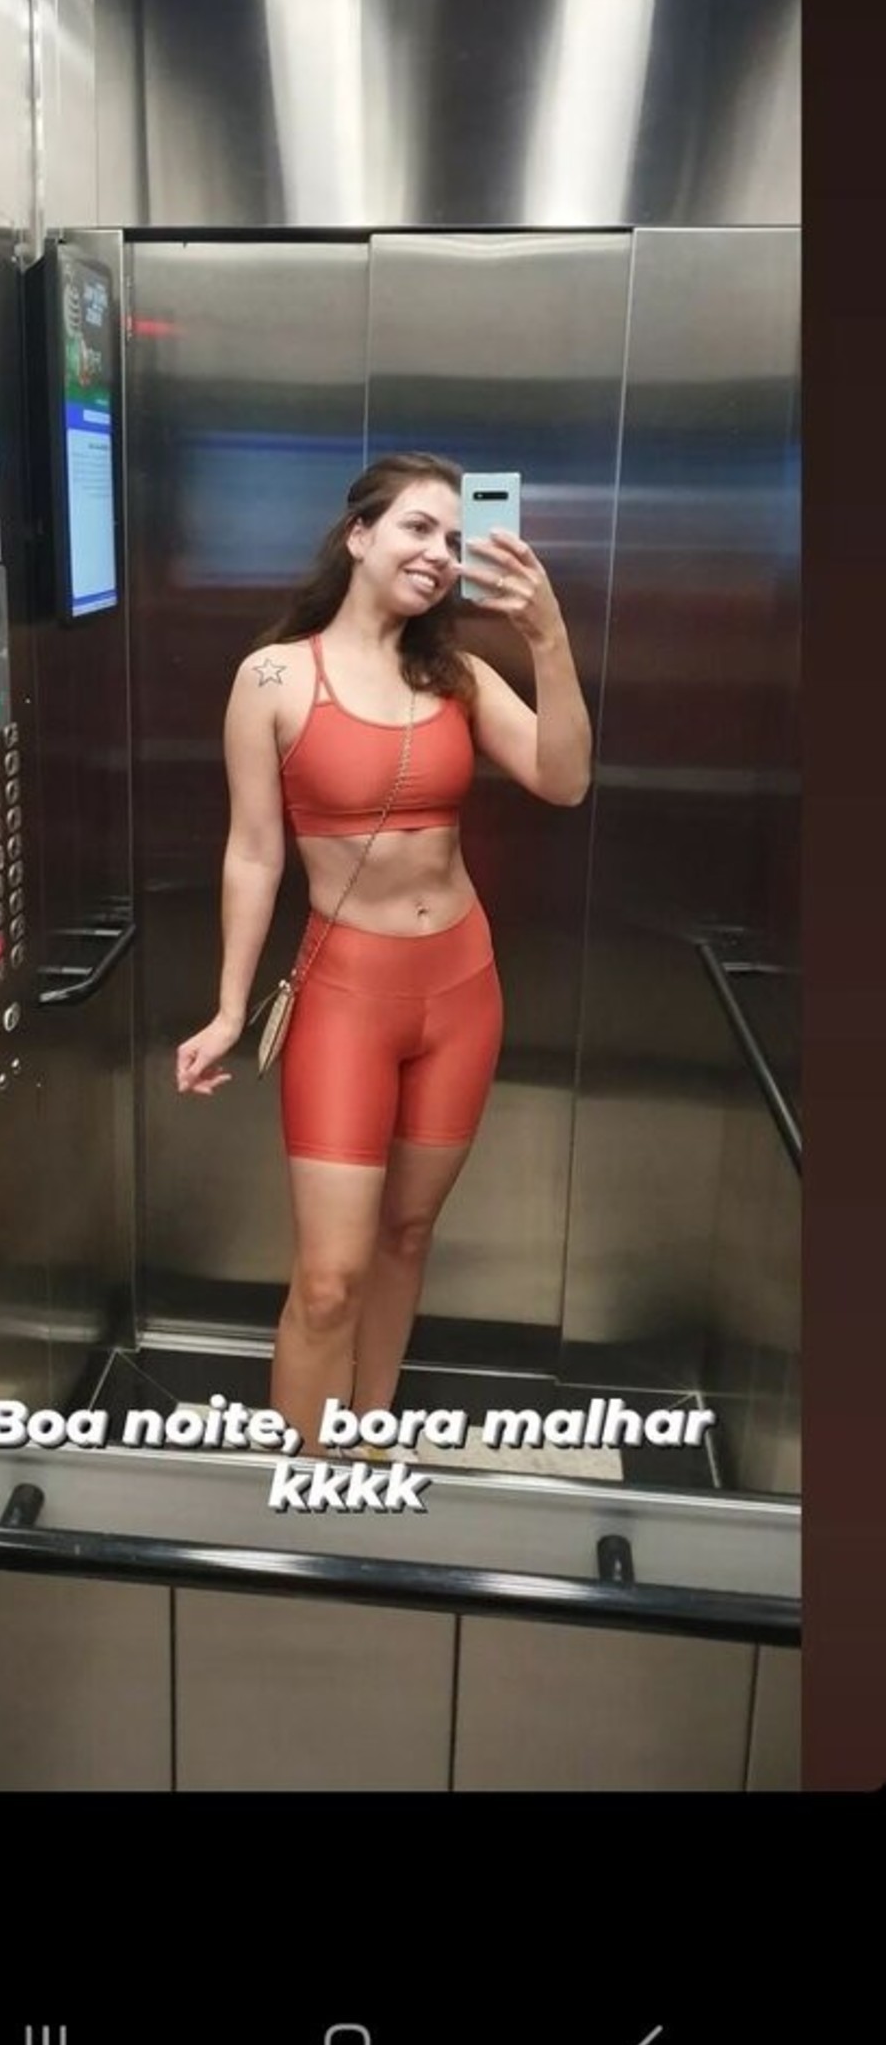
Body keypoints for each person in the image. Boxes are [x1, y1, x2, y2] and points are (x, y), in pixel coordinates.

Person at [176, 452, 592, 1456]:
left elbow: (565, 778)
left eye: (454, 538)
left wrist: (547, 636)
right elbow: (253, 851)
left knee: (406, 1236)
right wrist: (229, 1008)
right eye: (417, 527)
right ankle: (305, 1476)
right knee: (329, 1279)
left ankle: (366, 1439)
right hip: (345, 997)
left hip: (461, 991)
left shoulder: (459, 676)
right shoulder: (274, 677)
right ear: (358, 535)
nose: (439, 553)